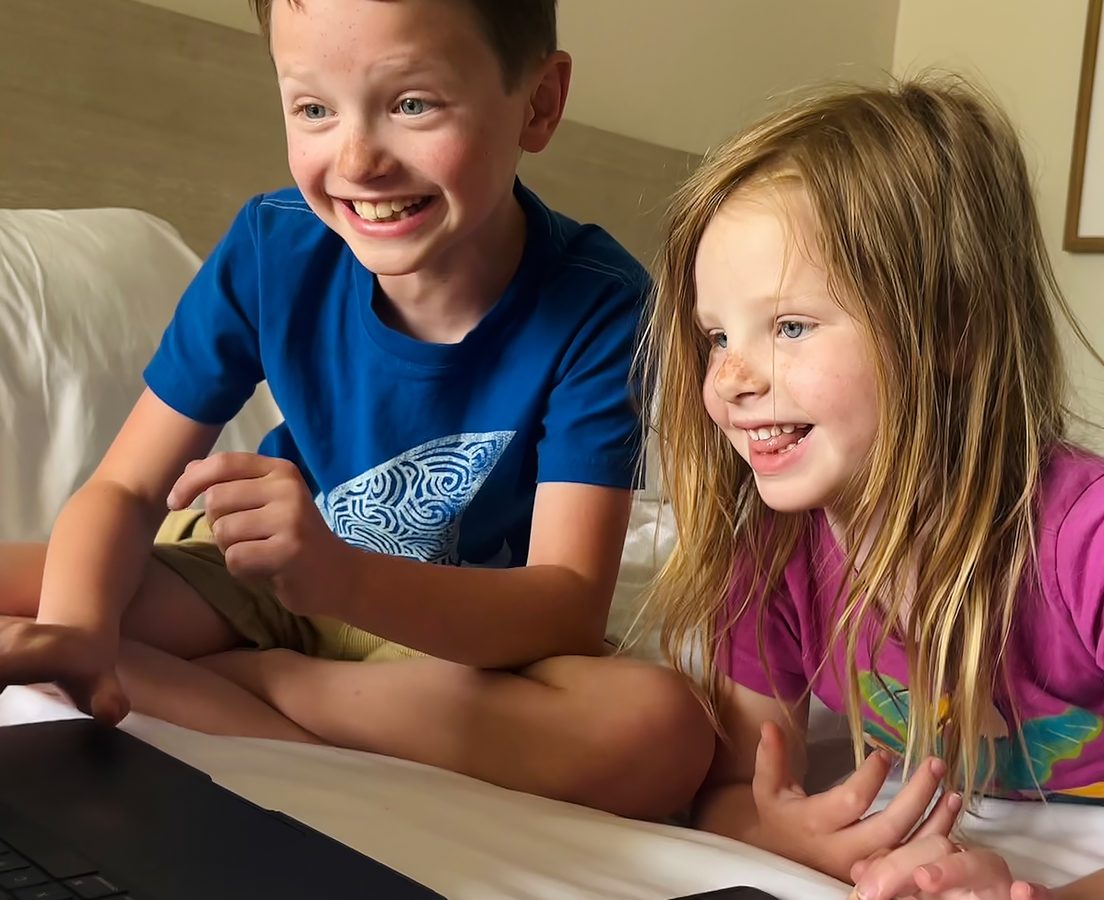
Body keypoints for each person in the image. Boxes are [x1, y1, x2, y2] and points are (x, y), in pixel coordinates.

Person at [0, 0, 713, 820]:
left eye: (412, 104)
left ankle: (260, 690)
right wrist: (82, 632)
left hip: (441, 626)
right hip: (253, 578)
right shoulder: (272, 247)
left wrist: (338, 581)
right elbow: (123, 492)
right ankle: (194, 688)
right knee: (56, 592)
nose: (358, 159)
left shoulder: (601, 305)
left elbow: (565, 606)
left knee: (667, 731)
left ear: (539, 104)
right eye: (313, 109)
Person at [636, 76, 1104, 894]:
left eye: (790, 326)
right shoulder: (771, 550)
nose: (727, 379)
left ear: (952, 329)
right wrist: (789, 835)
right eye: (717, 335)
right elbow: (730, 790)